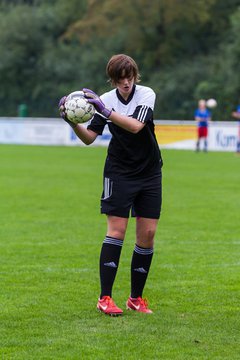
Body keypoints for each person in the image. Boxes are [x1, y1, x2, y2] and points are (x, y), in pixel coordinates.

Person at [59, 54, 163, 316]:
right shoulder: (105, 100)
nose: (126, 82)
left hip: (150, 172)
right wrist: (72, 122)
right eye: (120, 79)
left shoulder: (145, 94)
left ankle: (135, 298)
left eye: (129, 77)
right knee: (117, 231)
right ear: (113, 79)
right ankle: (105, 298)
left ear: (135, 76)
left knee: (148, 235)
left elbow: (137, 126)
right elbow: (89, 138)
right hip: (119, 172)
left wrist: (106, 112)